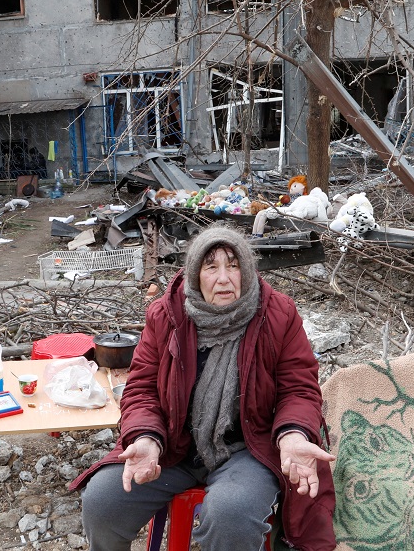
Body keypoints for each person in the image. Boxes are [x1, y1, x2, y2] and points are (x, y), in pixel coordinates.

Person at [72, 225, 336, 550]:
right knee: (102, 502)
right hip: (175, 446)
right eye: (211, 266)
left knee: (232, 514)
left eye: (233, 265)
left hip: (247, 449)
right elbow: (141, 388)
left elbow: (299, 389)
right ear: (196, 273)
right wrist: (146, 437)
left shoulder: (278, 315)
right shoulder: (166, 315)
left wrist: (293, 435)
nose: (223, 278)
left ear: (248, 270)